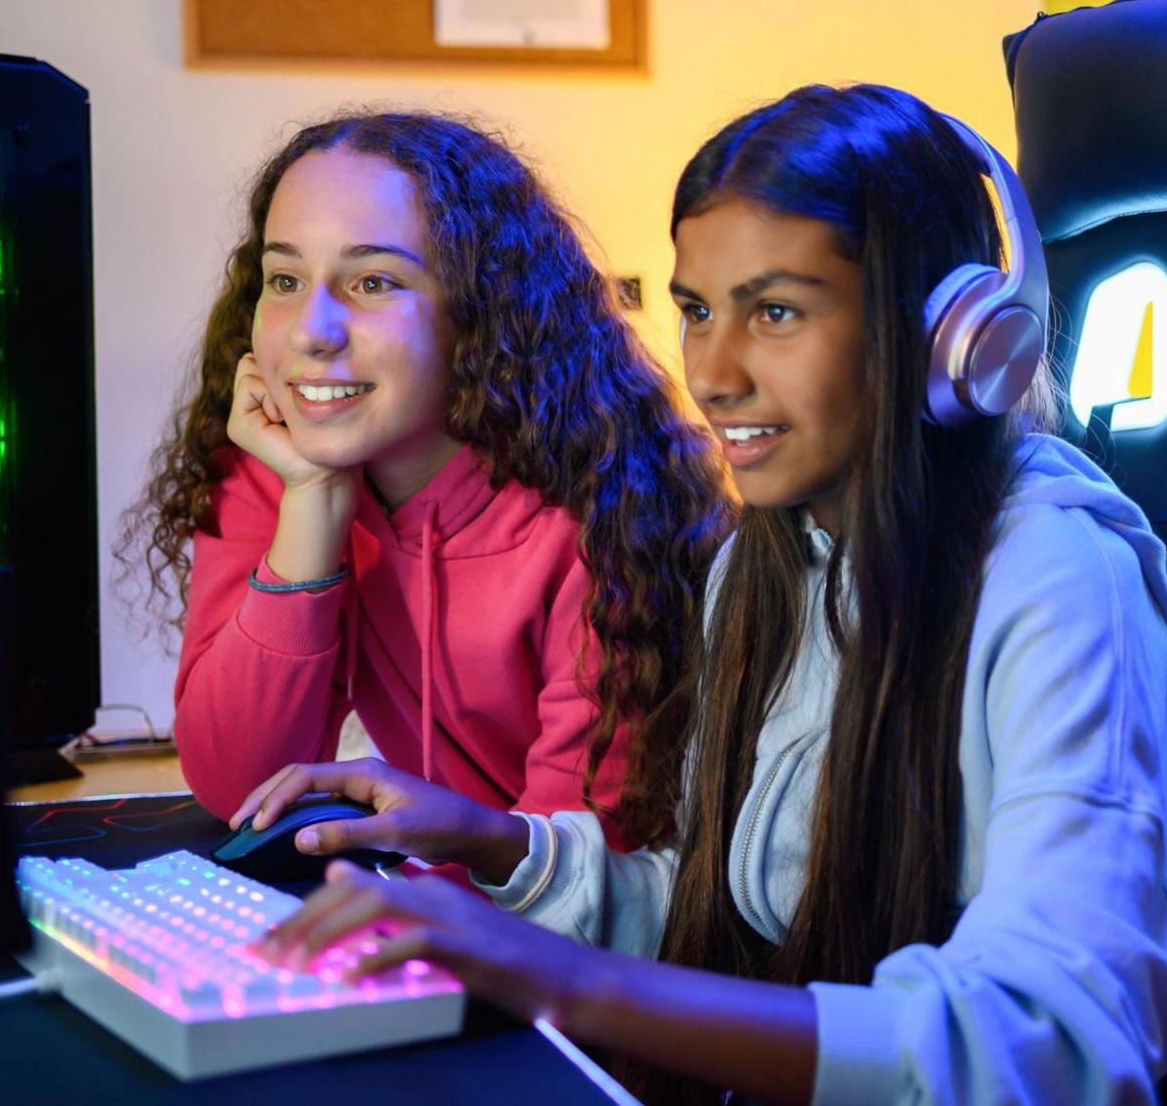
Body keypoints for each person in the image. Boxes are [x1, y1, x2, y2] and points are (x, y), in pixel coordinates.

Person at [239, 85, 1167, 1104]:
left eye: (775, 312)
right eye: (698, 312)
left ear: (949, 336)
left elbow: (1047, 1038)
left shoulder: (1056, 577)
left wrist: (560, 976)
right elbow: (726, 907)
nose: (709, 372)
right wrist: (489, 843)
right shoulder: (768, 563)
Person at [122, 112, 730, 850]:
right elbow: (237, 787)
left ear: (478, 310)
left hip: (587, 942)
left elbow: (586, 870)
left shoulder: (606, 512)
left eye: (373, 281)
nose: (313, 330)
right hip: (438, 916)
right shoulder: (279, 471)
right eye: (284, 278)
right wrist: (311, 505)